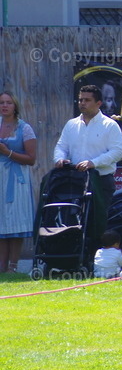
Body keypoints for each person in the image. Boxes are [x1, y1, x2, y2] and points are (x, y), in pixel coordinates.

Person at [53, 85, 122, 261]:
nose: (82, 103)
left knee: (96, 221)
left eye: (87, 100)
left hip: (100, 180)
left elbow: (116, 152)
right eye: (80, 99)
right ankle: (70, 258)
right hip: (74, 181)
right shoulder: (71, 125)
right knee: (72, 219)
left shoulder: (110, 125)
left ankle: (94, 260)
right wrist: (60, 159)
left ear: (98, 103)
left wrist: (93, 163)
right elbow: (61, 147)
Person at [0, 91, 38, 273]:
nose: (4, 106)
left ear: (15, 106)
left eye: (8, 102)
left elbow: (31, 159)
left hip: (17, 181)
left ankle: (13, 265)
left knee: (15, 223)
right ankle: (1, 265)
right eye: (1, 103)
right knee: (2, 222)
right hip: (0, 178)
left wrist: (7, 152)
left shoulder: (25, 128)